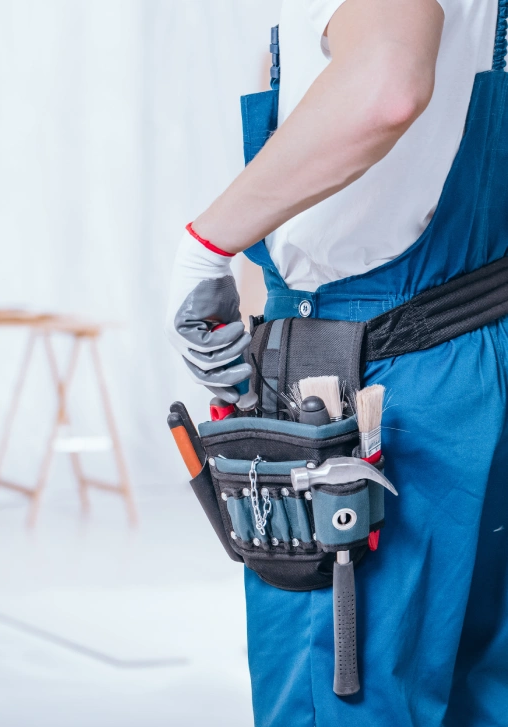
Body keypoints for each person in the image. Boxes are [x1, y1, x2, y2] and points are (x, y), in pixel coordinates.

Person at [165, 0, 507, 724]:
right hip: (478, 347)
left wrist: (207, 243)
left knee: (342, 699)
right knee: (478, 692)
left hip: (374, 380)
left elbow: (384, 85)